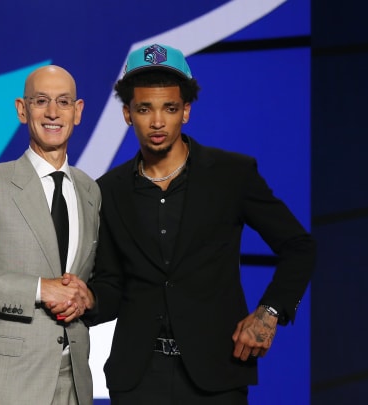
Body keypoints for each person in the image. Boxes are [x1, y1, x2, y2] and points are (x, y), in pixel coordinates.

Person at [70, 43, 316, 404]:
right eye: (144, 109)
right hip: (138, 378)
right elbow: (112, 283)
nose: (157, 122)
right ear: (127, 114)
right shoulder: (109, 190)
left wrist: (269, 312)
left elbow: (299, 246)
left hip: (216, 374)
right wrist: (88, 298)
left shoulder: (233, 174)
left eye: (169, 108)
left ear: (185, 111)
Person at [0, 65, 100, 405]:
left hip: (74, 382)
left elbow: (90, 275)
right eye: (41, 101)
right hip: (7, 384)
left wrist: (88, 297)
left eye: (63, 102)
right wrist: (41, 289)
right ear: (22, 110)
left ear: (78, 111)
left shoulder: (88, 190)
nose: (53, 112)